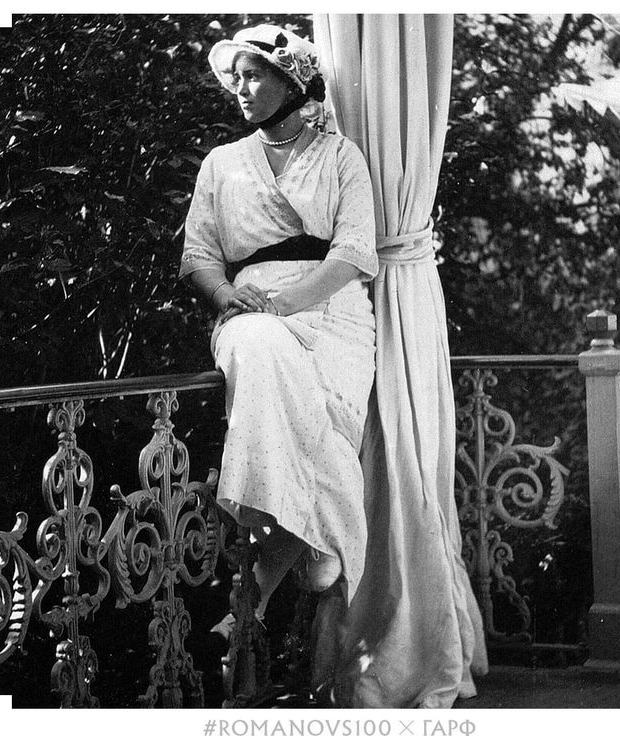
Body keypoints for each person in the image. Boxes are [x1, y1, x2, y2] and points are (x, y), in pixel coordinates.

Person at [179, 25, 378, 634]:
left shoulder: (341, 156)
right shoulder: (222, 163)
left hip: (334, 310)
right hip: (249, 312)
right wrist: (226, 293)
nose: (239, 87)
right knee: (262, 352)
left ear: (291, 80)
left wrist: (292, 301)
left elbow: (353, 254)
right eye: (234, 76)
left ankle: (255, 593)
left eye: (254, 74)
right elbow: (199, 256)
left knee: (314, 416)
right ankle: (320, 544)